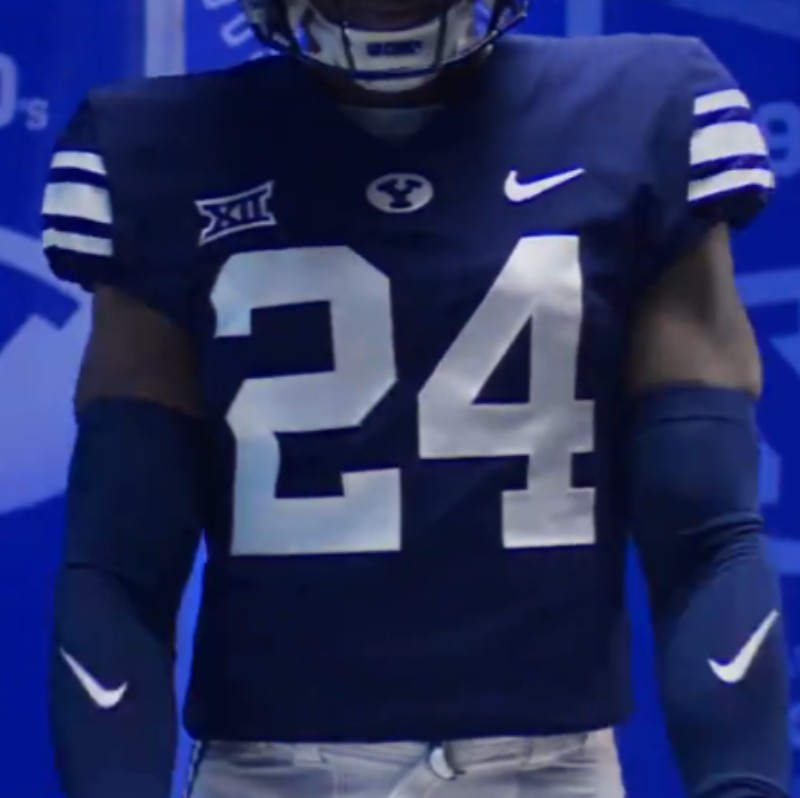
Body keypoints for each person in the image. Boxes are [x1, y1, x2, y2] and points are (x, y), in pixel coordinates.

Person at [43, 1, 791, 796]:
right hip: (269, 771)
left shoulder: (646, 113)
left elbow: (706, 536)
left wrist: (741, 785)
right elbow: (121, 568)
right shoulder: (159, 148)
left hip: (548, 769)